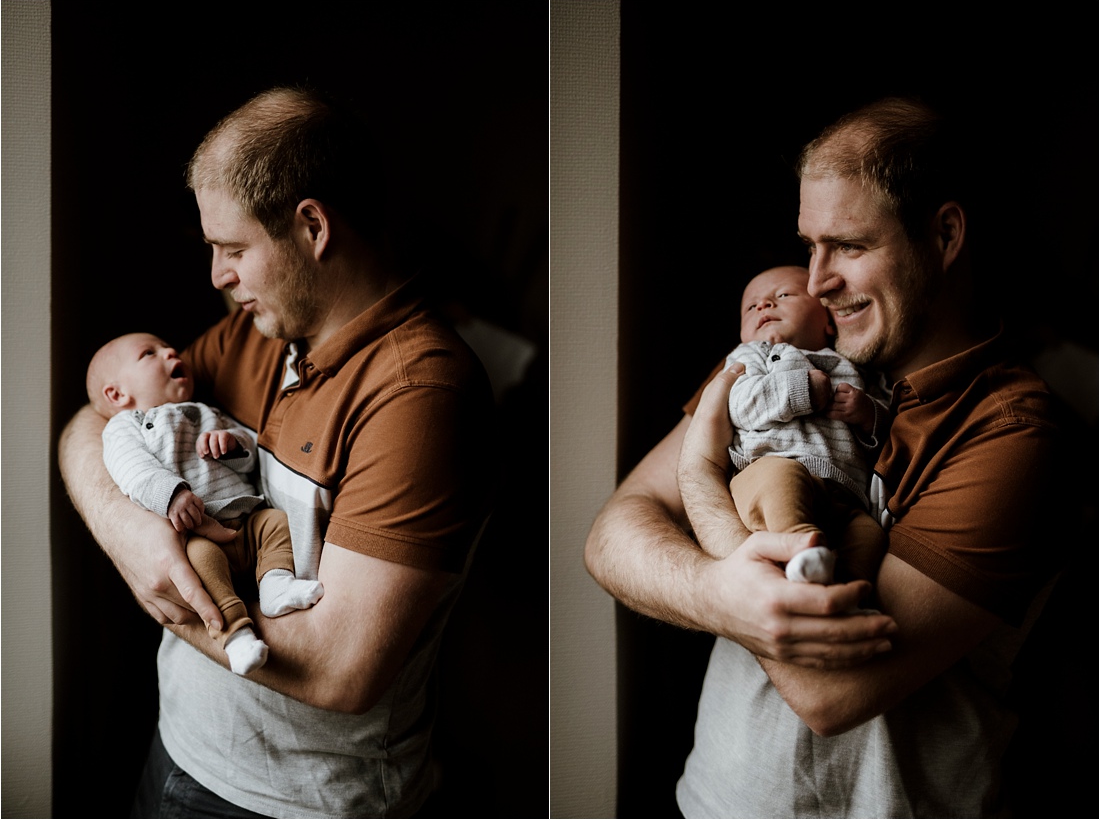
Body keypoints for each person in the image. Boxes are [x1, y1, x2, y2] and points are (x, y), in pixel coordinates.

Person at [585, 96, 1060, 816]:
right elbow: (612, 533)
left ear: (946, 233)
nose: (814, 281)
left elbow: (828, 691)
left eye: (849, 246)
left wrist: (702, 482)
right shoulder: (791, 353)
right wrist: (719, 591)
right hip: (711, 801)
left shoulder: (1013, 429)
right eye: (810, 245)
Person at [59, 86, 495, 818]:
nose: (217, 277)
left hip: (293, 802)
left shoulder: (422, 394)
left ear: (312, 226)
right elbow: (94, 419)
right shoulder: (254, 336)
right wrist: (131, 533)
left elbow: (339, 669)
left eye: (232, 249)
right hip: (179, 746)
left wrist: (166, 593)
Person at [87, 331, 324, 676]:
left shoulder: (205, 411)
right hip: (200, 531)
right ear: (117, 393)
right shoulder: (126, 427)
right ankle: (235, 635)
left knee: (276, 523)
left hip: (246, 516)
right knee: (201, 567)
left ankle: (276, 585)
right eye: (149, 353)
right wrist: (173, 496)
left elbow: (253, 452)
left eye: (168, 346)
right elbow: (131, 470)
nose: (170, 351)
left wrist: (233, 444)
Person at [723, 264, 890, 587]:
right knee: (781, 480)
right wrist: (803, 390)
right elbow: (739, 405)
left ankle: (847, 588)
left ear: (829, 320)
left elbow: (890, 431)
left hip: (843, 495)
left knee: (871, 534)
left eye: (782, 295)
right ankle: (800, 546)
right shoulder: (750, 356)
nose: (763, 306)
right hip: (769, 470)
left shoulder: (854, 364)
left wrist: (868, 413)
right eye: (751, 305)